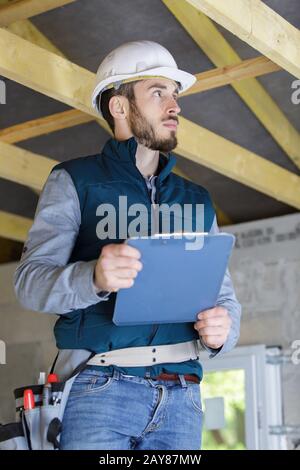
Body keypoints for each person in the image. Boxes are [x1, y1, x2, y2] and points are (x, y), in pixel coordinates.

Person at [14, 40, 241, 450]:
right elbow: (29, 283)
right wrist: (93, 277)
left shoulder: (197, 199)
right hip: (99, 389)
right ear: (120, 106)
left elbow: (225, 299)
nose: (174, 106)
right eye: (159, 92)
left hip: (183, 395)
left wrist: (223, 331)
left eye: (175, 95)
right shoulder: (73, 181)